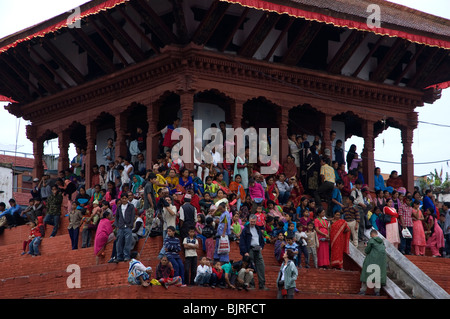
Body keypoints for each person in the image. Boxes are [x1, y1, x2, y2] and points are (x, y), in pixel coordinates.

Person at [239, 214, 268, 290]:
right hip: (250, 250)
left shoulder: (258, 229)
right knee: (250, 266)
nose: (252, 223)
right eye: (251, 221)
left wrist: (261, 247)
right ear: (249, 221)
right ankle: (251, 285)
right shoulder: (245, 229)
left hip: (258, 249)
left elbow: (261, 240)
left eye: (254, 221)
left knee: (261, 266)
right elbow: (242, 242)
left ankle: (262, 285)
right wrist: (245, 252)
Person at [359, 229, 386, 296]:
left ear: (372, 235)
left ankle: (363, 290)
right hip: (380, 262)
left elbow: (367, 251)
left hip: (371, 260)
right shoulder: (382, 242)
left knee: (366, 274)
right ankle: (377, 292)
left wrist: (366, 246)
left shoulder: (371, 240)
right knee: (378, 276)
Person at [114, 193, 135, 262]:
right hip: (121, 227)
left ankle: (126, 256)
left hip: (128, 227)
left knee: (127, 242)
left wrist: (131, 225)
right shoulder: (119, 207)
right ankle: (119, 256)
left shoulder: (131, 206)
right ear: (121, 199)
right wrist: (117, 225)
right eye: (123, 198)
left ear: (127, 199)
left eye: (125, 198)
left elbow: (132, 216)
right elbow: (117, 217)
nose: (124, 200)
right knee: (119, 242)